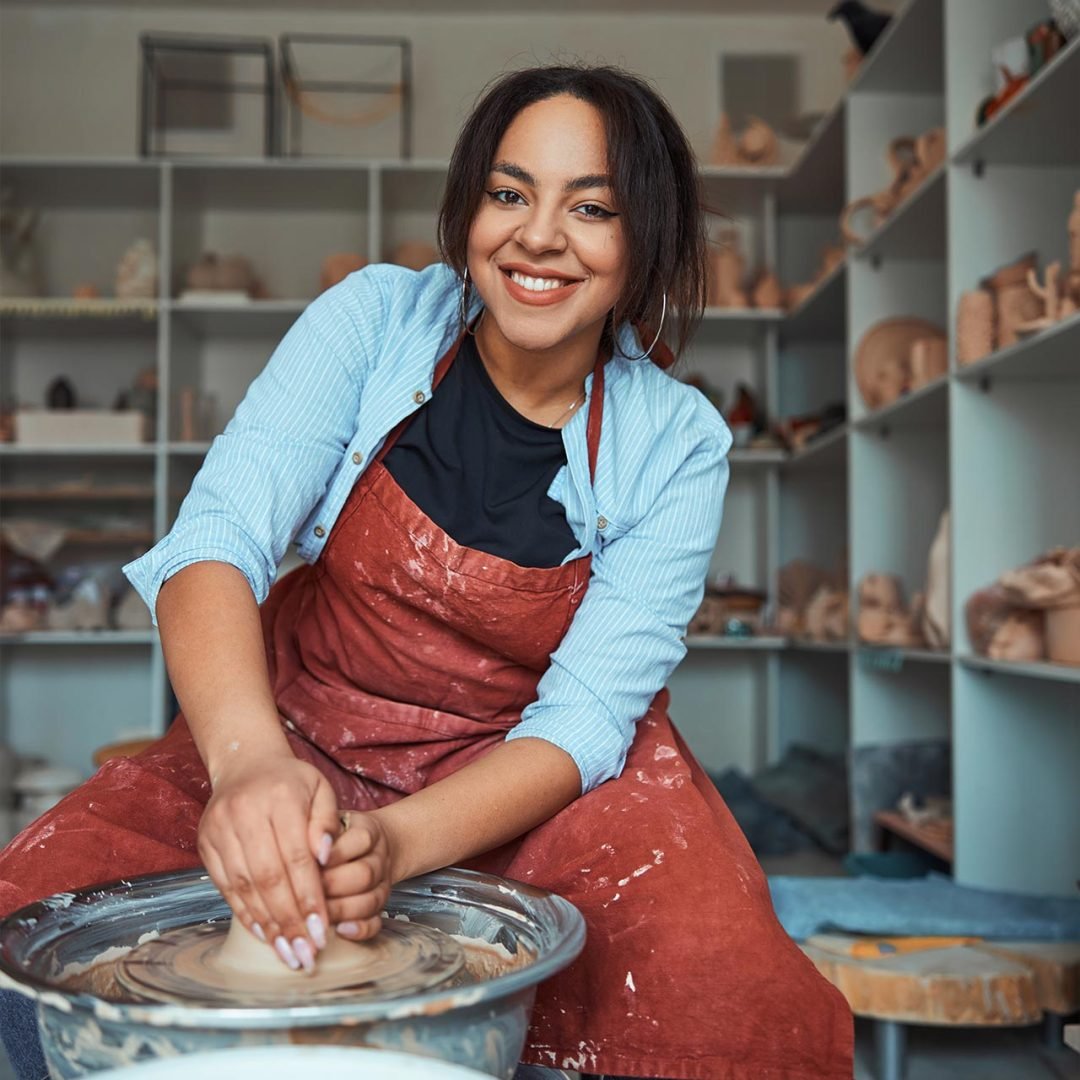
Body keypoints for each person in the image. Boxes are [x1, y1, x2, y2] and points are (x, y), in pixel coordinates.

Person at [0, 64, 852, 1080]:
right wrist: (250, 769)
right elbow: (214, 544)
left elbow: (582, 721)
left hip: (531, 783)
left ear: (647, 241)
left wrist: (394, 848)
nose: (538, 236)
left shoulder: (678, 443)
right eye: (509, 194)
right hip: (300, 729)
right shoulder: (372, 322)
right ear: (468, 210)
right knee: (42, 911)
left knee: (723, 995)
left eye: (592, 208)